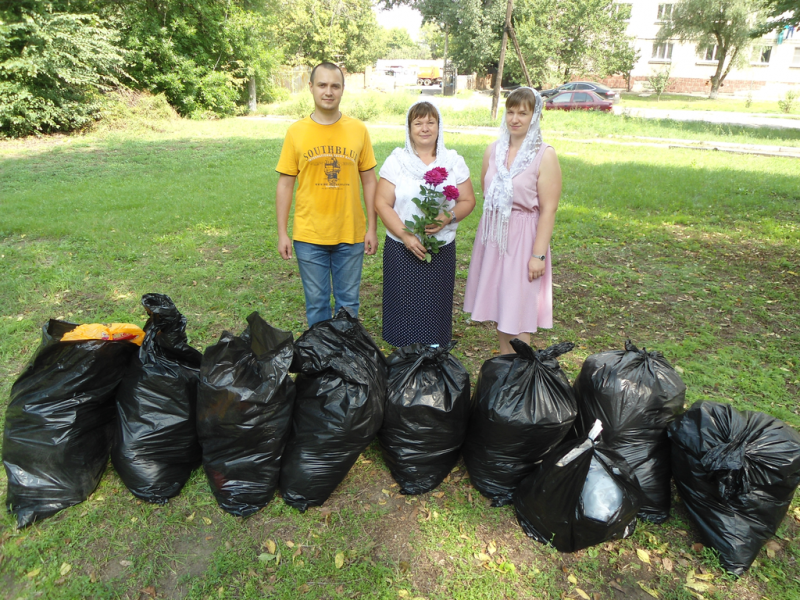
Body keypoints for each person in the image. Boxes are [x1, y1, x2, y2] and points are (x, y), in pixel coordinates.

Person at [275, 62, 378, 326]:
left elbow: (369, 181)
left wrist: (372, 228)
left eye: (335, 86)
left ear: (343, 90)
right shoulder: (296, 132)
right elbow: (285, 184)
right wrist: (282, 233)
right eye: (322, 85)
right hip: (309, 236)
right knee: (317, 305)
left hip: (351, 233)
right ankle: (320, 365)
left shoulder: (358, 130)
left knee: (348, 305)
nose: (328, 91)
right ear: (311, 87)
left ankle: (345, 362)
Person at [464, 87, 562, 355]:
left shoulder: (545, 155)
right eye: (510, 112)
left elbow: (549, 209)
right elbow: (488, 194)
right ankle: (506, 369)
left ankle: (520, 376)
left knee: (519, 311)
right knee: (501, 307)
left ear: (535, 116)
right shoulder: (493, 151)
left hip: (524, 239)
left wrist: (538, 255)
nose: (515, 118)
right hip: (495, 237)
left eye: (523, 112)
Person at [375, 100, 476, 347]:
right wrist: (406, 236)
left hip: (439, 248)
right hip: (401, 248)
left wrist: (448, 217)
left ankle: (433, 358)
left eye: (431, 122)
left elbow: (468, 200)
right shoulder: (397, 161)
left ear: (439, 127)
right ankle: (404, 357)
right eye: (418, 123)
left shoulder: (452, 161)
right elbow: (382, 203)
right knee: (402, 305)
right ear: (409, 128)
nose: (424, 128)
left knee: (435, 305)